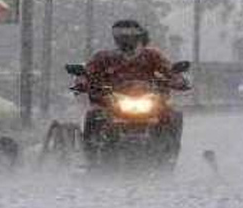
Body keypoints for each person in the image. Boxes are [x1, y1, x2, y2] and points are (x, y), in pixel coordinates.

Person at [75, 19, 188, 160]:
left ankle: (169, 154)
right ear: (115, 37)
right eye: (120, 35)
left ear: (140, 36)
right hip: (112, 102)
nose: (126, 39)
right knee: (94, 116)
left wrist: (177, 80)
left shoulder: (152, 56)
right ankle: (91, 156)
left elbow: (170, 71)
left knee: (172, 115)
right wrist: (82, 81)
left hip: (148, 100)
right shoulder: (103, 57)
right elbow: (88, 72)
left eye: (130, 35)